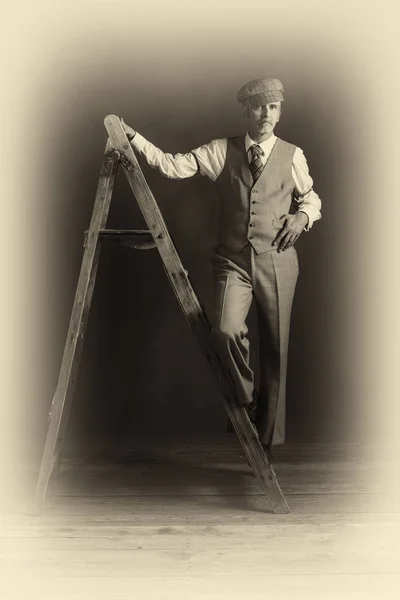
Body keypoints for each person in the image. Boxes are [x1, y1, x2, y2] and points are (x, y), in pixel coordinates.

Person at [122, 77, 321, 459]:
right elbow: (171, 166)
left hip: (279, 261)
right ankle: (246, 398)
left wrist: (302, 219)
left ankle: (267, 446)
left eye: (273, 107)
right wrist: (132, 137)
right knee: (226, 331)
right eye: (259, 107)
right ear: (245, 111)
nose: (266, 115)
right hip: (233, 262)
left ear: (280, 112)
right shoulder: (219, 150)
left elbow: (310, 198)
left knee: (276, 350)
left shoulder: (292, 154)